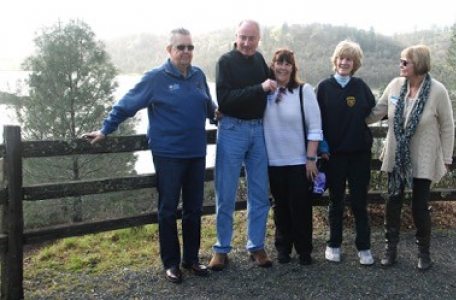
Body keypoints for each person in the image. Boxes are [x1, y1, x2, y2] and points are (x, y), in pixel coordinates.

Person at [82, 28, 216, 283]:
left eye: (190, 47)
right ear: (169, 50)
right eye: (181, 47)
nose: (186, 52)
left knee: (193, 209)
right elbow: (126, 104)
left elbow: (208, 105)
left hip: (196, 152)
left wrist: (218, 115)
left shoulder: (198, 75)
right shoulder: (155, 78)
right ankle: (171, 263)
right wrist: (105, 129)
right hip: (168, 154)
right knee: (167, 209)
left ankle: (191, 259)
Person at [366, 44, 454, 270]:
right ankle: (390, 249)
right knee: (393, 201)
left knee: (419, 206)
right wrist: (348, 116)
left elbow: (447, 126)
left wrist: (447, 157)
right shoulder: (395, 86)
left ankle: (424, 252)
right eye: (401, 61)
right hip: (398, 154)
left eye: (405, 62)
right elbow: (377, 111)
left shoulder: (437, 91)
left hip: (424, 156)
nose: (401, 65)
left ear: (419, 64)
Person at [208, 19, 277, 271]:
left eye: (252, 38)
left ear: (259, 39)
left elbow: (275, 85)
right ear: (235, 36)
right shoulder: (225, 62)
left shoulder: (260, 61)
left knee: (259, 192)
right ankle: (221, 249)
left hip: (258, 130)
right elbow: (225, 99)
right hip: (233, 129)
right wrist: (259, 88)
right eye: (243, 37)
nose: (247, 43)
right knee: (225, 191)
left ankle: (256, 245)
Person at [316, 40, 376, 265]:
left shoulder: (361, 87)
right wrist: (321, 147)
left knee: (360, 202)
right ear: (335, 60)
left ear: (355, 63)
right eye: (341, 58)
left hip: (359, 154)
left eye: (349, 59)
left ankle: (364, 247)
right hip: (334, 155)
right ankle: (334, 244)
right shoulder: (323, 87)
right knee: (336, 200)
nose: (344, 62)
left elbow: (374, 112)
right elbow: (315, 121)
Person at [263, 48, 323, 265]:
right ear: (273, 65)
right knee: (280, 207)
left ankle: (304, 250)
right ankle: (283, 249)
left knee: (301, 207)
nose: (283, 67)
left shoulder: (303, 91)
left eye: (287, 64)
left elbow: (315, 127)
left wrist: (310, 159)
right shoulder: (265, 92)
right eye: (280, 63)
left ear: (293, 67)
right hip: (273, 160)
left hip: (299, 161)